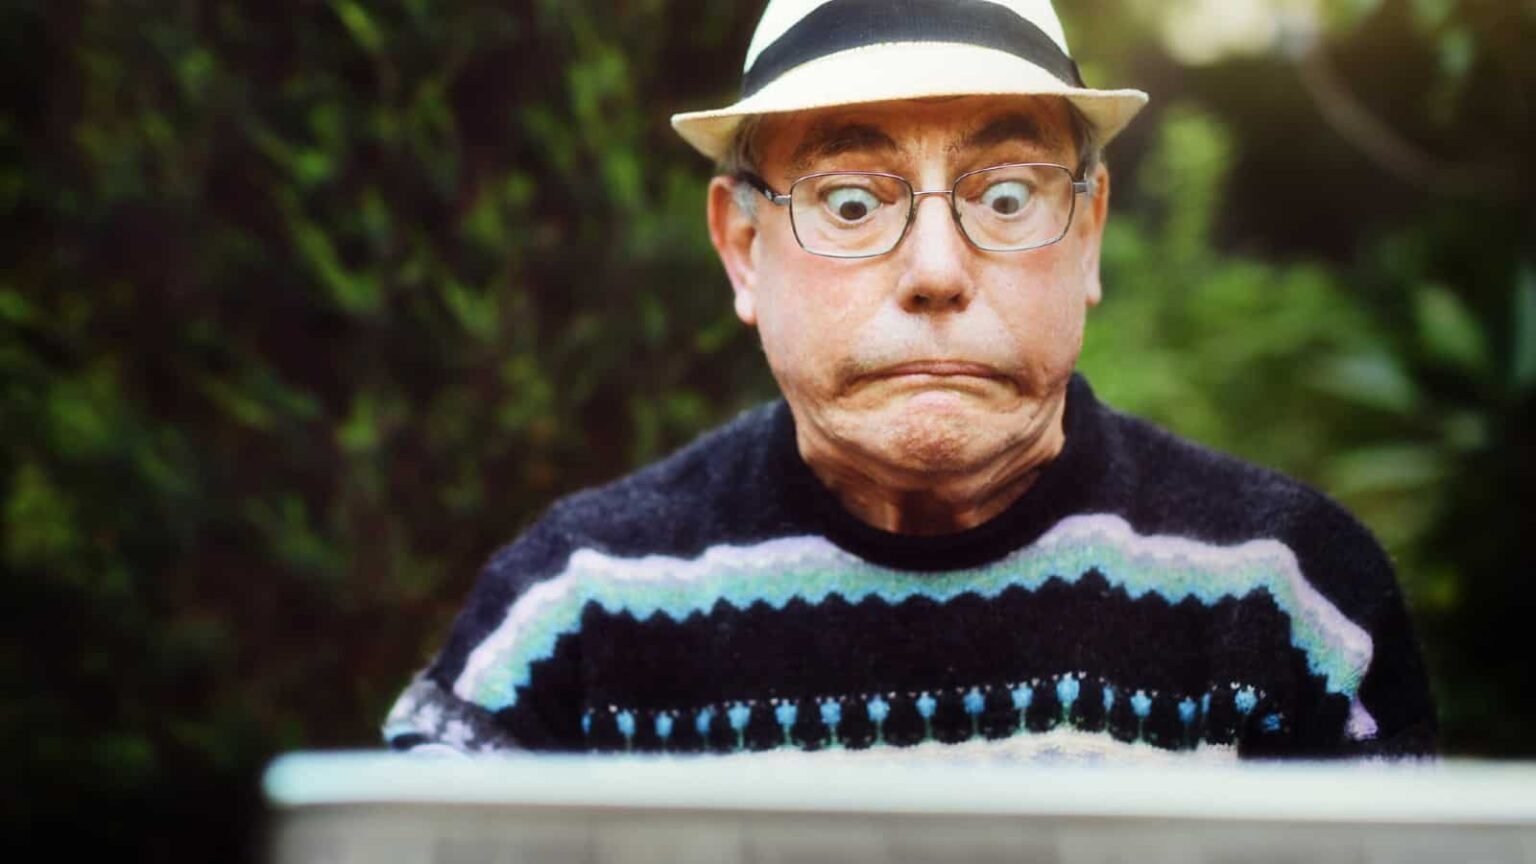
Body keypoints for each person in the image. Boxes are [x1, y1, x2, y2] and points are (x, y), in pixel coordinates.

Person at [383, 0, 1436, 760]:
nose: (937, 272)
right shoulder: (575, 610)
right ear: (743, 251)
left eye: (1009, 196)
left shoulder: (1289, 598)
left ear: (1089, 233)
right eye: (851, 202)